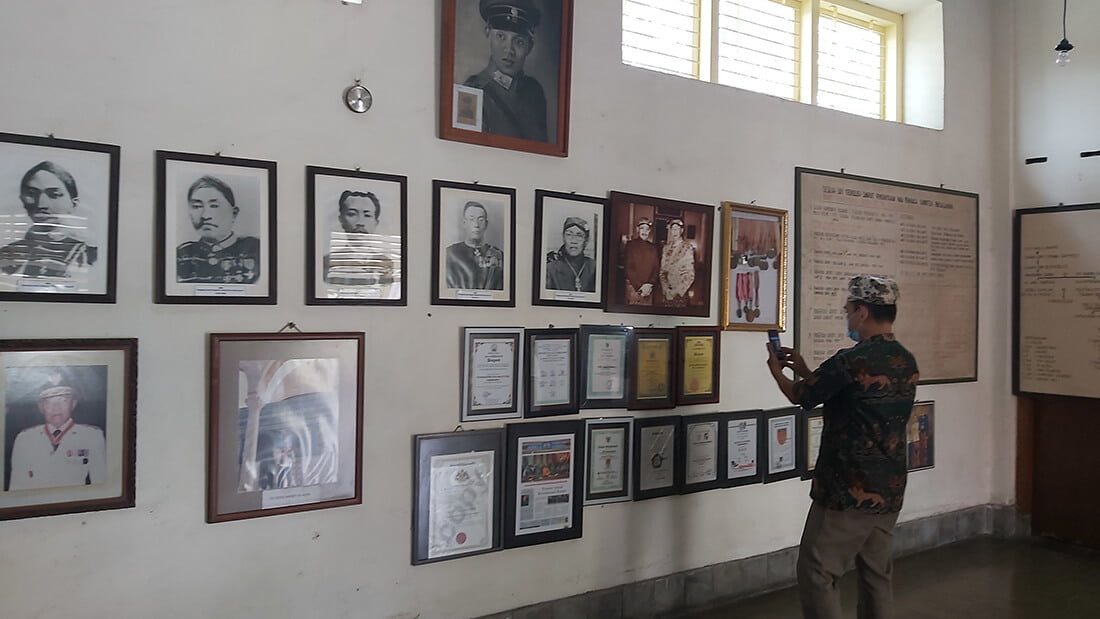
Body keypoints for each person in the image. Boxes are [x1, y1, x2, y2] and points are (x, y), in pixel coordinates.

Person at [766, 274, 919, 619]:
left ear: (863, 312)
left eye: (849, 310)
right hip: (890, 488)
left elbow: (803, 396)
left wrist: (778, 371)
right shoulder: (906, 360)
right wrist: (805, 368)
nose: (847, 317)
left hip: (848, 491)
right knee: (876, 573)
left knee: (817, 570)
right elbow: (846, 393)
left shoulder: (851, 361)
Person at [464, 0, 548, 142]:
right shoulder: (471, 94)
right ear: (488, 32)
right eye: (501, 36)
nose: (509, 50)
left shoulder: (534, 92)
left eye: (519, 41)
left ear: (530, 47)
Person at [8, 372, 105, 491]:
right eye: (49, 402)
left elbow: (101, 482)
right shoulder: (25, 439)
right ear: (41, 407)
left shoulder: (92, 436)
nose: (56, 407)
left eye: (63, 400)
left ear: (73, 404)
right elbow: (17, 486)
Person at [0, 161, 97, 279]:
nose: (41, 204)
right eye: (31, 193)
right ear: (22, 200)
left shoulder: (87, 255)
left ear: (73, 203)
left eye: (54, 194)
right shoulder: (7, 254)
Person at [176, 175, 260, 284]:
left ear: (234, 213)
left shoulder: (256, 249)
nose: (205, 215)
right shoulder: (181, 254)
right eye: (197, 206)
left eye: (214, 206)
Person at [323, 190, 396, 292]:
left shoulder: (384, 263)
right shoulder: (329, 262)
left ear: (376, 222)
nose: (360, 222)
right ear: (341, 220)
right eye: (352, 214)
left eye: (367, 215)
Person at [446, 201, 504, 290]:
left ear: (486, 224)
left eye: (480, 220)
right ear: (464, 223)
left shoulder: (498, 254)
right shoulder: (450, 254)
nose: (476, 225)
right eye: (471, 219)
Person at [545, 216, 595, 292]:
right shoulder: (550, 269)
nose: (573, 241)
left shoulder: (594, 267)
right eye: (569, 234)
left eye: (579, 235)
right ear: (563, 238)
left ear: (586, 240)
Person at [659, 217, 697, 307]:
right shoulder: (666, 248)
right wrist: (665, 288)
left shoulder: (687, 248)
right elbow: (662, 271)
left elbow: (690, 275)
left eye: (677, 229)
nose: (675, 232)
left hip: (680, 294)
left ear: (682, 230)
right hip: (666, 293)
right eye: (673, 229)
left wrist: (676, 291)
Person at [621, 217, 659, 305]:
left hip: (648, 290)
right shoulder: (631, 245)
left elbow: (656, 268)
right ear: (637, 229)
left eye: (647, 229)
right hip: (634, 288)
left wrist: (650, 284)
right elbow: (628, 268)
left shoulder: (653, 248)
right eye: (642, 228)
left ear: (650, 231)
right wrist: (640, 286)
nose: (644, 232)